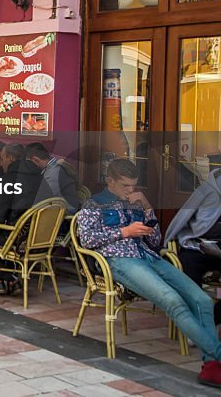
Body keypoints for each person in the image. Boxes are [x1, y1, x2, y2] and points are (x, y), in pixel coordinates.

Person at [78, 159, 221, 388]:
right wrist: (125, 231)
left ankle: (211, 367)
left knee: (202, 299)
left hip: (149, 257)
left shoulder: (135, 203)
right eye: (125, 186)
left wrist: (146, 208)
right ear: (110, 181)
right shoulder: (94, 204)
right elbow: (86, 240)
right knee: (173, 301)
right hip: (121, 261)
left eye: (134, 186)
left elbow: (155, 242)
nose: (130, 191)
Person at [0, 143, 50, 295]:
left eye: (2, 158)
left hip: (17, 239)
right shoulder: (42, 179)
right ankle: (10, 279)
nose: (1, 162)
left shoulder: (9, 180)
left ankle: (4, 280)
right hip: (39, 240)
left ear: (10, 158)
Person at [164, 170, 221, 325]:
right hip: (197, 244)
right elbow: (189, 221)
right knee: (188, 265)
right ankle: (194, 319)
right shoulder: (207, 191)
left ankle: (211, 318)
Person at [28, 142, 81, 213]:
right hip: (61, 211)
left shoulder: (52, 174)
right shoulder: (53, 167)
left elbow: (40, 201)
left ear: (35, 160)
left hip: (64, 217)